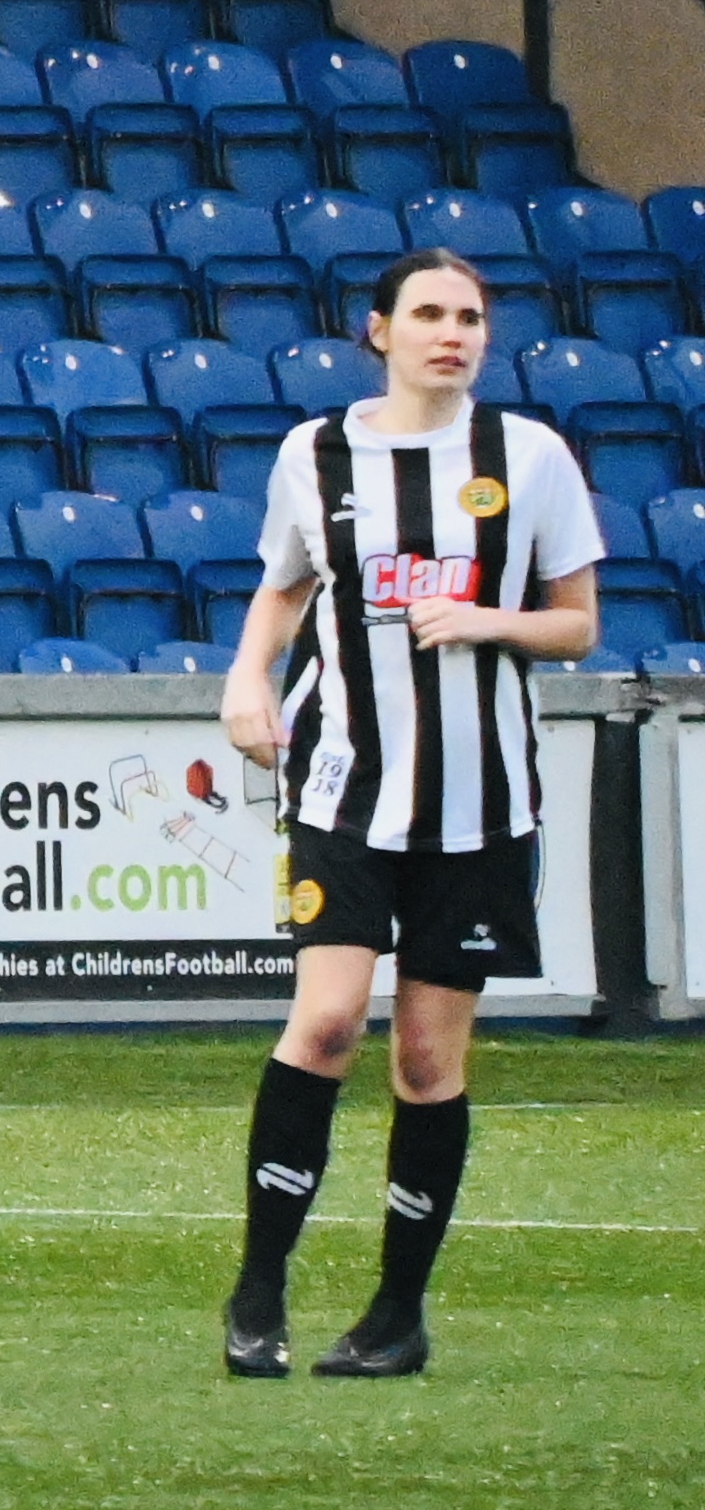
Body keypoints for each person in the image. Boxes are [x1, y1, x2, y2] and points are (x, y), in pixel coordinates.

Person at [216, 248, 605, 1381]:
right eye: (429, 313)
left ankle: (396, 1313)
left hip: (481, 803)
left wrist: (490, 621)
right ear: (378, 330)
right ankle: (259, 1289)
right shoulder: (317, 451)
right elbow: (288, 582)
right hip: (344, 785)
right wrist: (246, 677)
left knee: (430, 1059)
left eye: (470, 317)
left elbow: (578, 624)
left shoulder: (528, 456)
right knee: (329, 1023)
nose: (452, 333)